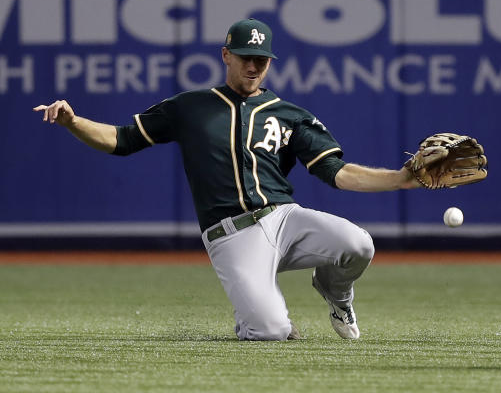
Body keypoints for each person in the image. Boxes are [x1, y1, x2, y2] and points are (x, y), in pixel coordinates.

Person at [35, 18, 434, 341]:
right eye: (245, 56)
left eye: (262, 58)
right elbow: (121, 140)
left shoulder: (290, 114)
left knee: (358, 243)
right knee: (271, 331)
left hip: (284, 218)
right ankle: (255, 318)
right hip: (232, 235)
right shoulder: (190, 107)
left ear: (271, 62)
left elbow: (339, 173)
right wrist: (74, 121)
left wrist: (401, 179)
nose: (253, 65)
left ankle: (336, 291)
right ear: (226, 55)